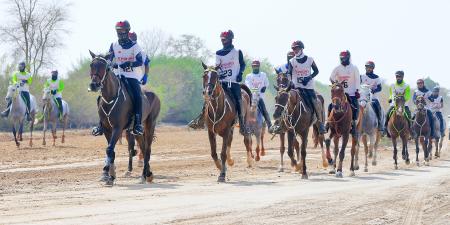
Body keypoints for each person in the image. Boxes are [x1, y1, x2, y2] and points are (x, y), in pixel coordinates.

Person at [188, 30, 248, 135]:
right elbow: (217, 67)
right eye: (222, 39)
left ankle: (242, 124)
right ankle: (201, 119)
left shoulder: (237, 52)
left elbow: (243, 64)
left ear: (230, 39)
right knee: (209, 95)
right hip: (221, 81)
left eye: (225, 39)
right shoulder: (218, 53)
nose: (223, 41)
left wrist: (240, 74)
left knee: (238, 99)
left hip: (233, 82)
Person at [92, 20, 145, 136]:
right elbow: (109, 58)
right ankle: (100, 124)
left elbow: (141, 61)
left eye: (122, 31)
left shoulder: (135, 46)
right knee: (101, 96)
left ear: (127, 31)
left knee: (137, 96)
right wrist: (110, 64)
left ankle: (137, 124)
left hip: (130, 76)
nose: (120, 33)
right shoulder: (114, 44)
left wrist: (129, 64)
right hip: (116, 75)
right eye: (118, 31)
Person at [287, 40, 326, 134]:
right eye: (293, 49)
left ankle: (320, 124)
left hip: (308, 86)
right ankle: (281, 122)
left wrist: (308, 78)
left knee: (315, 101)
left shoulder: (310, 59)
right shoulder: (292, 61)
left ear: (301, 48)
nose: (295, 50)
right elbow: (289, 73)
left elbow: (316, 71)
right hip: (296, 87)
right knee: (285, 99)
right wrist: (290, 82)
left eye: (296, 48)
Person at [329, 50, 360, 137]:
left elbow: (358, 80)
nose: (343, 60)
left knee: (355, 107)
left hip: (351, 93)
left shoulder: (354, 68)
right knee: (330, 106)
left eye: (345, 58)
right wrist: (335, 84)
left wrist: (357, 90)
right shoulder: (337, 68)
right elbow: (331, 77)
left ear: (348, 58)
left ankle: (353, 124)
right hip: (340, 93)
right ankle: (328, 123)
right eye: (341, 58)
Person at [383, 71, 412, 137]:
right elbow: (391, 94)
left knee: (409, 115)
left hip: (403, 104)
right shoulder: (392, 85)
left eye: (399, 76)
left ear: (402, 77)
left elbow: (408, 95)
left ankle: (410, 131)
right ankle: (385, 129)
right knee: (387, 114)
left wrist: (402, 99)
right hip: (394, 105)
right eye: (397, 76)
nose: (398, 78)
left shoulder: (406, 86)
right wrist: (390, 98)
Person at [245, 60, 272, 129]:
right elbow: (248, 86)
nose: (255, 67)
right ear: (252, 66)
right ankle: (242, 125)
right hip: (252, 97)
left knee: (264, 110)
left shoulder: (263, 74)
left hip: (260, 97)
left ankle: (270, 126)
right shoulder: (249, 76)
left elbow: (267, 83)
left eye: (256, 66)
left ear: (259, 66)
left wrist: (265, 87)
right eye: (254, 66)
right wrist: (255, 91)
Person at [360, 61, 384, 131]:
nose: (368, 69)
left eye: (370, 67)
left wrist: (373, 90)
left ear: (373, 68)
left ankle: (380, 124)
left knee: (378, 107)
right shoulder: (361, 76)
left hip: (373, 97)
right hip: (363, 97)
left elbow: (380, 88)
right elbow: (357, 85)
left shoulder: (377, 77)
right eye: (367, 67)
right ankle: (353, 123)